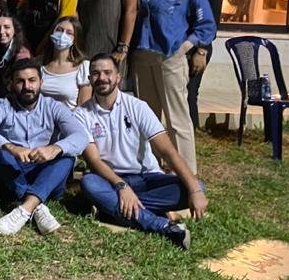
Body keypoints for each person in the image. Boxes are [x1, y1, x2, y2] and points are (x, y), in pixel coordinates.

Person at [77, 54, 207, 250]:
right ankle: (163, 225)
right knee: (89, 183)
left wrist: (195, 191)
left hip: (147, 179)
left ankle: (112, 210)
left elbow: (167, 151)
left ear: (118, 77)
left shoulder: (138, 107)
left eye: (107, 72)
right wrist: (122, 187)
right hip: (110, 181)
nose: (102, 78)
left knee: (196, 186)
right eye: (96, 73)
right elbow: (94, 161)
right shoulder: (81, 115)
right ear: (89, 79)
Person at [131, 0, 216, 176]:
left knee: (177, 118)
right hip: (142, 57)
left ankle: (186, 173)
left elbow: (205, 23)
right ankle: (153, 168)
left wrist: (187, 47)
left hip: (170, 57)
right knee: (148, 118)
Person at [0, 59, 89, 236]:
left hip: (45, 174)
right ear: (12, 84)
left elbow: (81, 136)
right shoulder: (3, 105)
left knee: (67, 156)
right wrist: (11, 147)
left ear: (41, 82)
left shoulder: (54, 107)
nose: (27, 86)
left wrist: (54, 148)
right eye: (20, 81)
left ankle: (26, 207)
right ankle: (36, 205)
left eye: (32, 80)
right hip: (13, 173)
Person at [174, 0, 228, 129]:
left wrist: (202, 50)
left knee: (188, 93)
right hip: (175, 41)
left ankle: (191, 136)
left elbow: (212, 17)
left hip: (196, 44)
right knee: (176, 93)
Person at [38, 16, 91, 109]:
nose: (63, 35)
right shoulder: (40, 64)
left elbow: (83, 107)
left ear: (75, 39)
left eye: (69, 33)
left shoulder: (83, 67)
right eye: (59, 30)